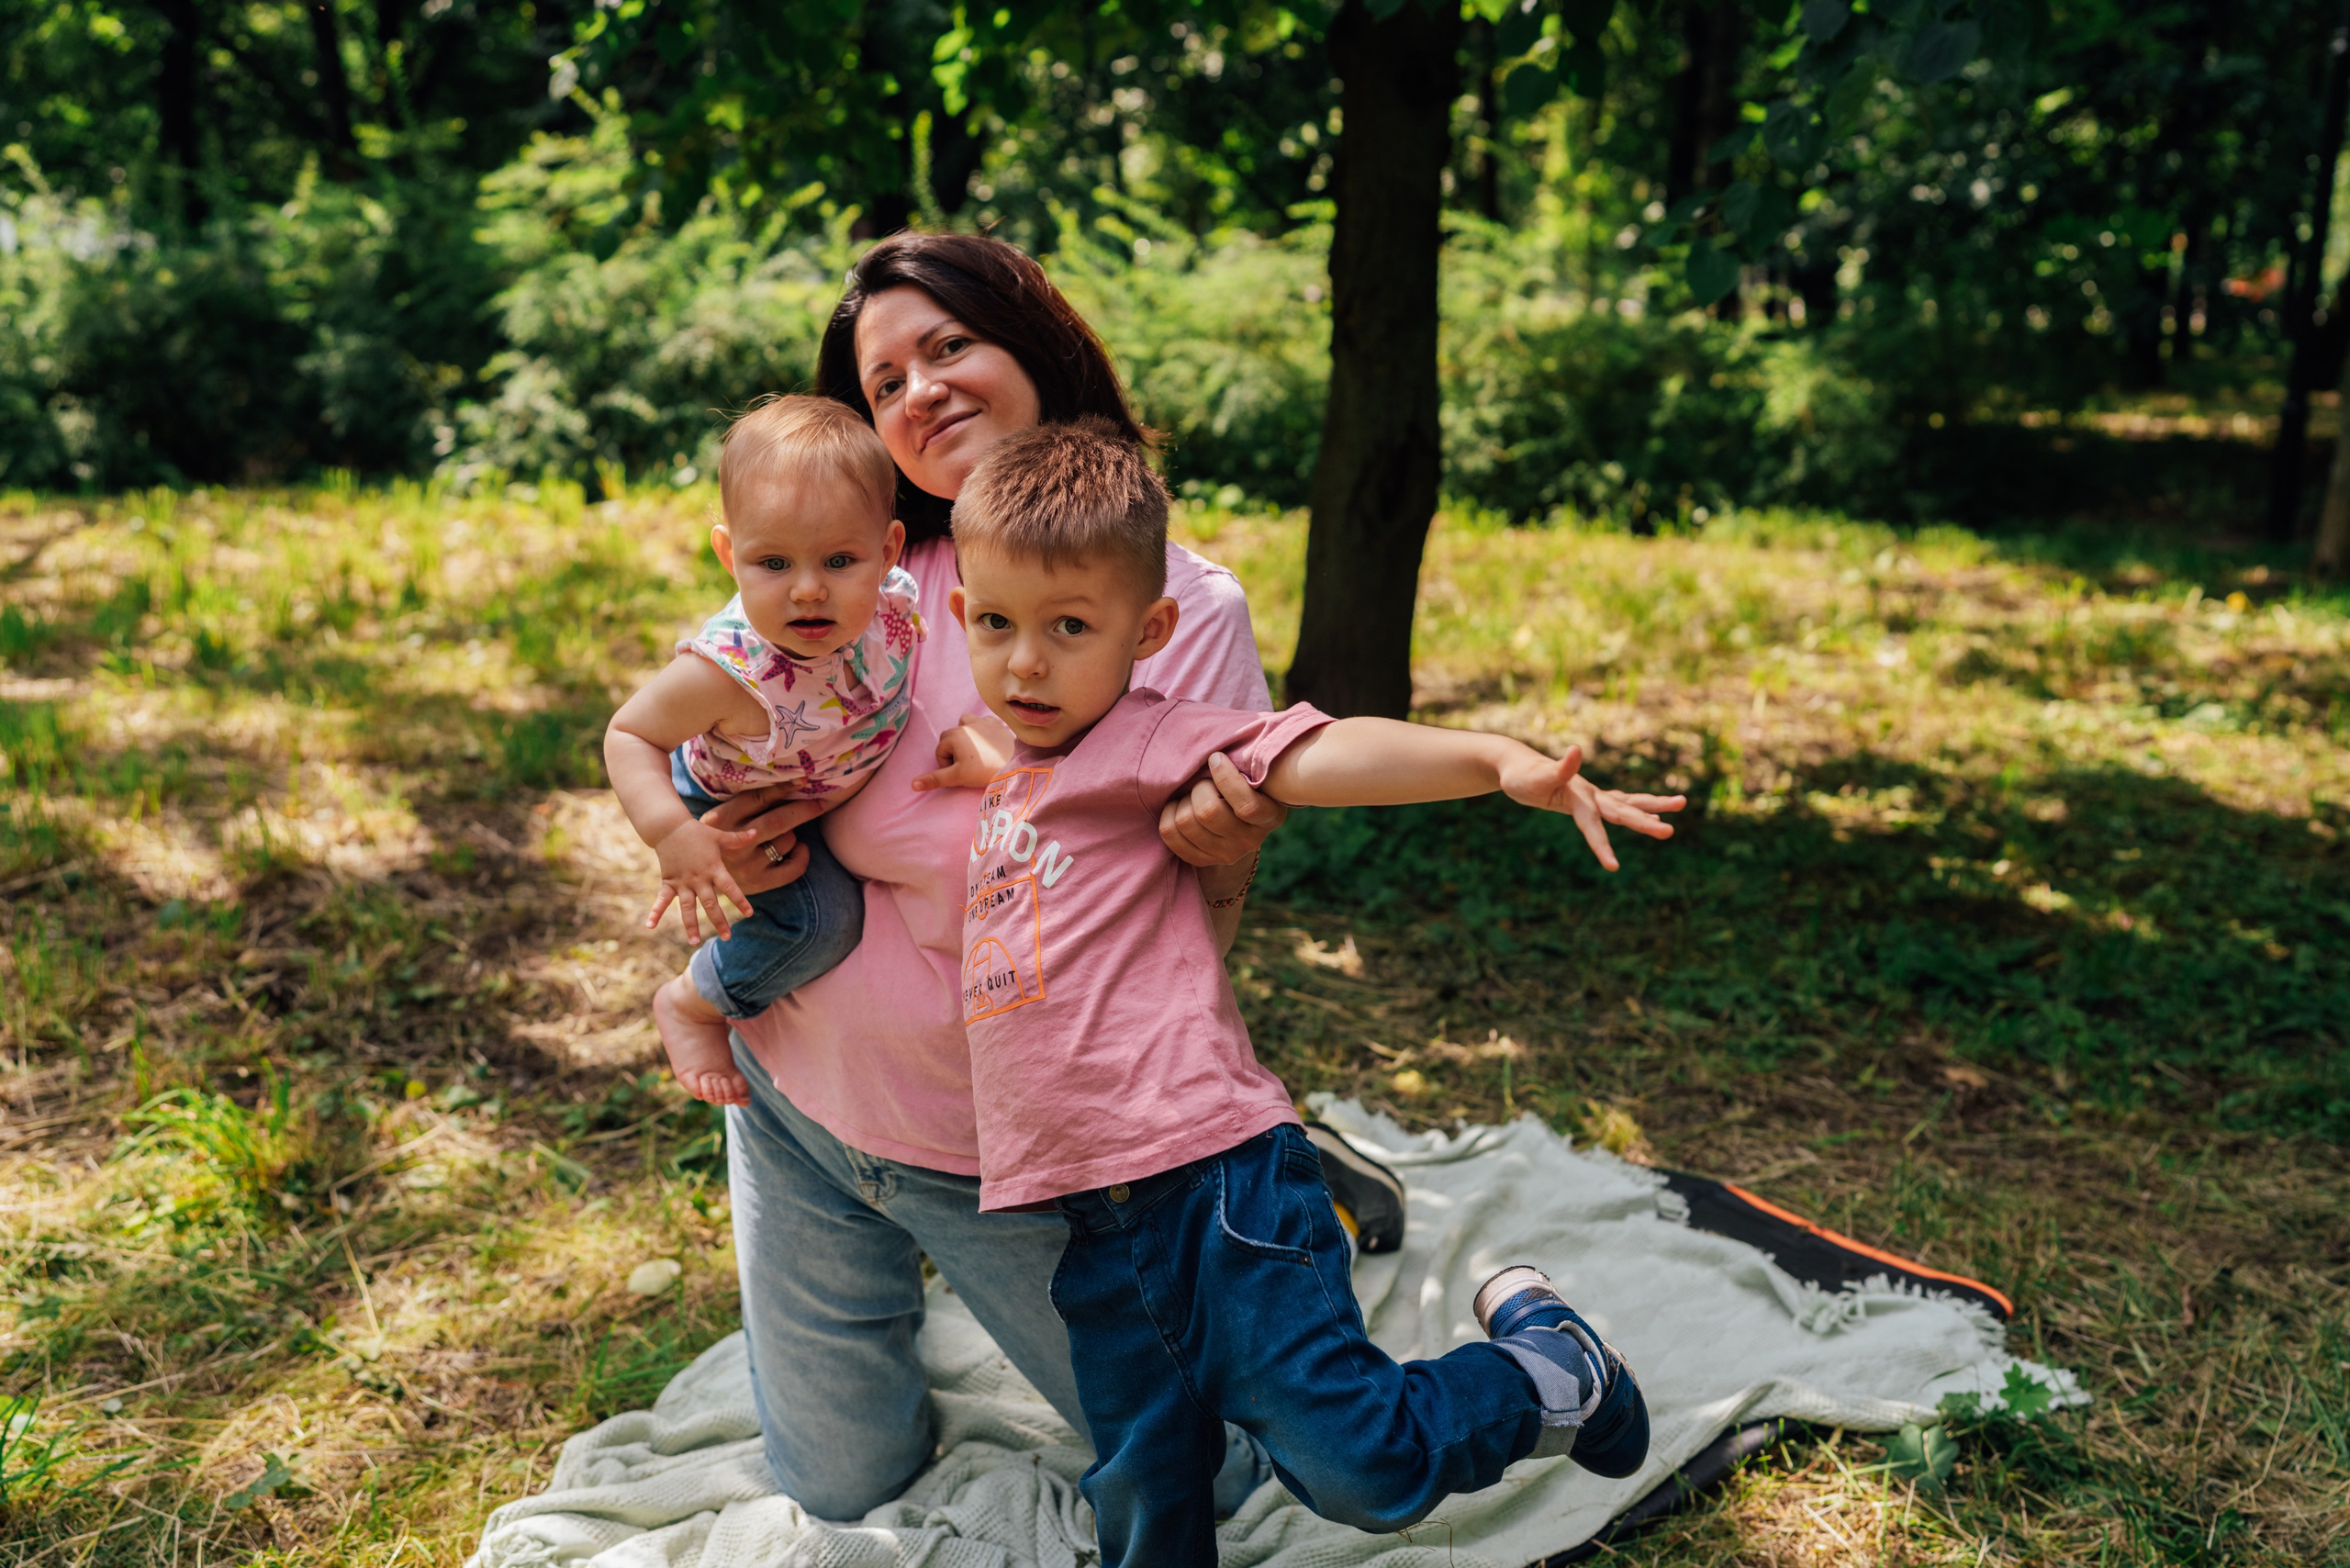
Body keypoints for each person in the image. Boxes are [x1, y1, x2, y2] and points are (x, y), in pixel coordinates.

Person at [680, 232, 1387, 1519]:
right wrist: (720, 826)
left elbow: (1175, 935)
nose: (921, 391)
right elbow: (732, 732)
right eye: (884, 380)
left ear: (1037, 346)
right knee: (841, 1492)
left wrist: (1223, 859)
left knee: (1216, 1486)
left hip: (995, 1151)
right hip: (793, 1100)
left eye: (950, 346)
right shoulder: (868, 583)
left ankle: (1299, 1192)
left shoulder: (1180, 608)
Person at [937, 418, 1680, 1566]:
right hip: (1090, 1210)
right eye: (996, 625)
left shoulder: (1155, 736)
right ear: (961, 618)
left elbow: (1321, 754)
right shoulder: (1025, 764)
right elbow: (1036, 786)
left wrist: (1492, 761)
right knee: (1142, 1470)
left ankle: (1546, 1372)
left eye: (1068, 629)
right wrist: (984, 763)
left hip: (1212, 1181)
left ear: (1150, 633)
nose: (1025, 662)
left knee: (1357, 1465)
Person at [606, 397, 996, 1106]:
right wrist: (674, 833)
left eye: (840, 559)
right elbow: (629, 734)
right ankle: (696, 1000)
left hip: (817, 764)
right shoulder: (726, 673)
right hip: (738, 792)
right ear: (730, 556)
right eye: (774, 561)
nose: (809, 589)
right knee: (821, 922)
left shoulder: (891, 607)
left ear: (887, 553)